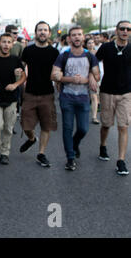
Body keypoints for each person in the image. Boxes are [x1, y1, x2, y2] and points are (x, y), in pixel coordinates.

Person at [51, 26, 100, 171]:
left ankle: (74, 143)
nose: (77, 37)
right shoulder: (64, 55)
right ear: (69, 38)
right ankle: (70, 158)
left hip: (83, 98)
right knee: (67, 127)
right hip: (67, 97)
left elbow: (97, 75)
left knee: (83, 129)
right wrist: (70, 78)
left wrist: (89, 78)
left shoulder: (89, 56)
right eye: (74, 35)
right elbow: (54, 75)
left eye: (79, 34)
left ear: (83, 37)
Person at [19, 21, 60, 167]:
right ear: (35, 32)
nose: (42, 32)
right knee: (25, 125)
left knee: (46, 126)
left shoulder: (54, 52)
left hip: (47, 94)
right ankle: (31, 139)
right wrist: (19, 80)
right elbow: (20, 68)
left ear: (49, 33)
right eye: (40, 30)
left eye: (45, 30)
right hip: (29, 92)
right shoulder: (28, 51)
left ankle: (41, 153)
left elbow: (58, 71)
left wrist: (59, 81)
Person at [0, 33, 26, 165]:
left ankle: (5, 152)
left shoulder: (15, 60)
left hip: (12, 99)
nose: (6, 45)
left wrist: (15, 84)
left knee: (8, 128)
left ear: (12, 44)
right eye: (4, 42)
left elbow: (24, 77)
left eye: (9, 42)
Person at [95, 20, 131, 175]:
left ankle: (121, 160)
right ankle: (103, 145)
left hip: (126, 93)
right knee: (106, 124)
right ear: (116, 31)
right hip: (107, 92)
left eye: (128, 29)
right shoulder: (106, 47)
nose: (125, 31)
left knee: (123, 126)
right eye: (122, 28)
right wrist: (93, 76)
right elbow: (94, 62)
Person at [85, 38, 101, 124]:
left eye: (92, 42)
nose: (91, 44)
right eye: (89, 43)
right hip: (83, 78)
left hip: (95, 77)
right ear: (86, 44)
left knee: (94, 96)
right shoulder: (83, 53)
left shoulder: (98, 53)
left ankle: (94, 117)